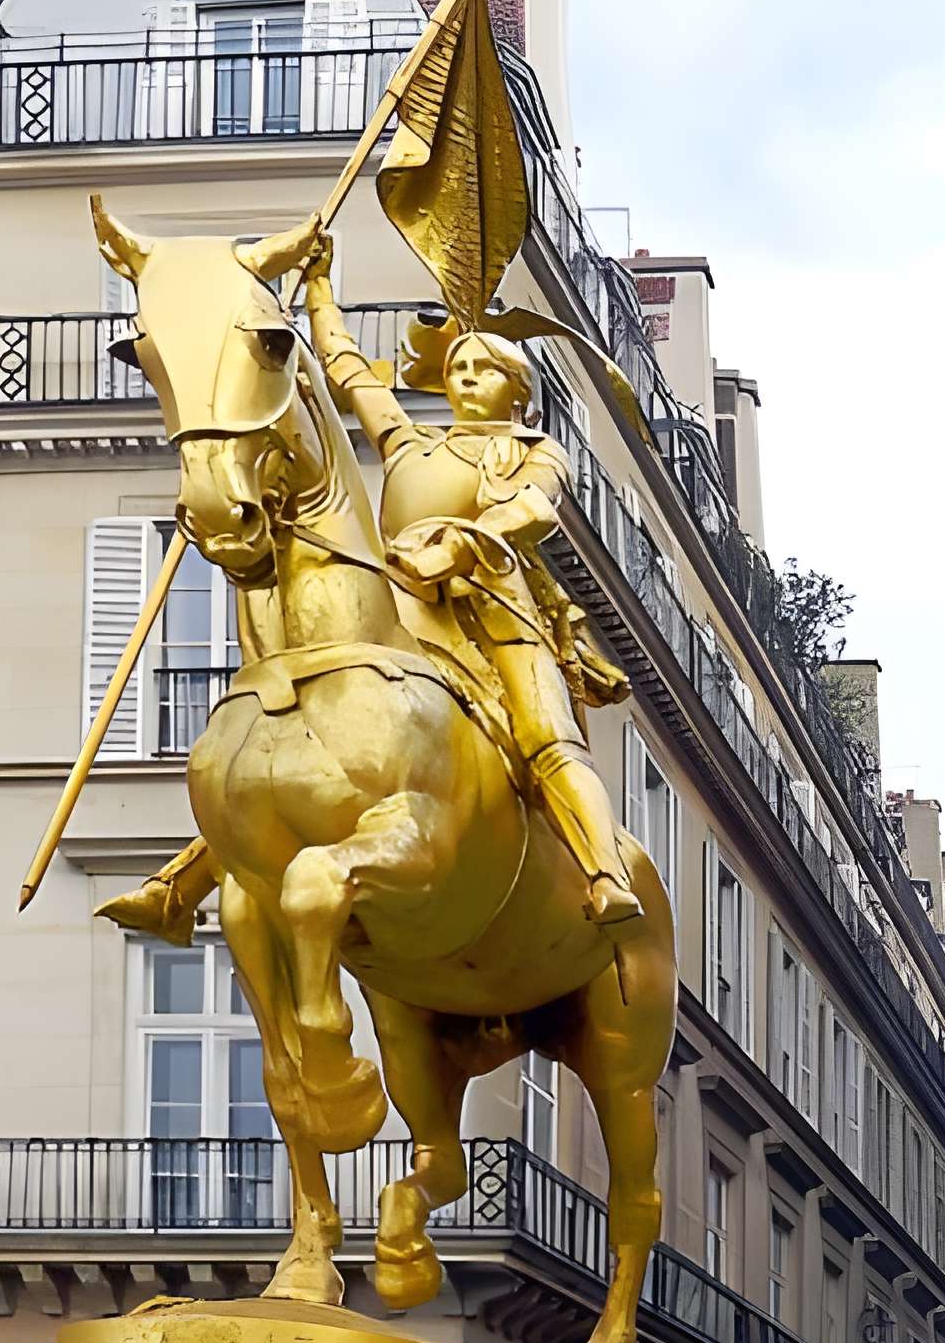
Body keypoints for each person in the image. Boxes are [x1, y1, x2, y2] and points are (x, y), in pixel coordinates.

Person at [101, 231, 641, 945]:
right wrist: (319, 289)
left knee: (545, 734)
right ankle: (186, 881)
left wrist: (467, 538)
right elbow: (351, 375)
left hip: (491, 605)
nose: (468, 376)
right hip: (401, 599)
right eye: (461, 365)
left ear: (520, 391)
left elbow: (535, 508)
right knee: (310, 723)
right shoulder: (413, 443)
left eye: (487, 368)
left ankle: (604, 871)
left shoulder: (531, 448)